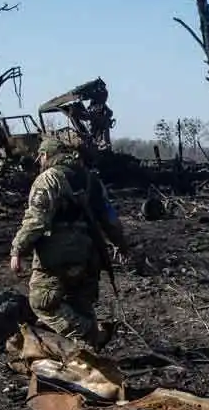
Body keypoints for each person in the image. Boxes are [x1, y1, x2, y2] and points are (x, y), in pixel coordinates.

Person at [9, 136, 128, 350]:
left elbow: (36, 221)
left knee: (41, 302)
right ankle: (88, 353)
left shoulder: (48, 179)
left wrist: (18, 249)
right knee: (80, 303)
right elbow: (110, 218)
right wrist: (120, 244)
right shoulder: (91, 180)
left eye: (41, 156)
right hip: (88, 255)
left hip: (56, 256)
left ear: (46, 155)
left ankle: (87, 335)